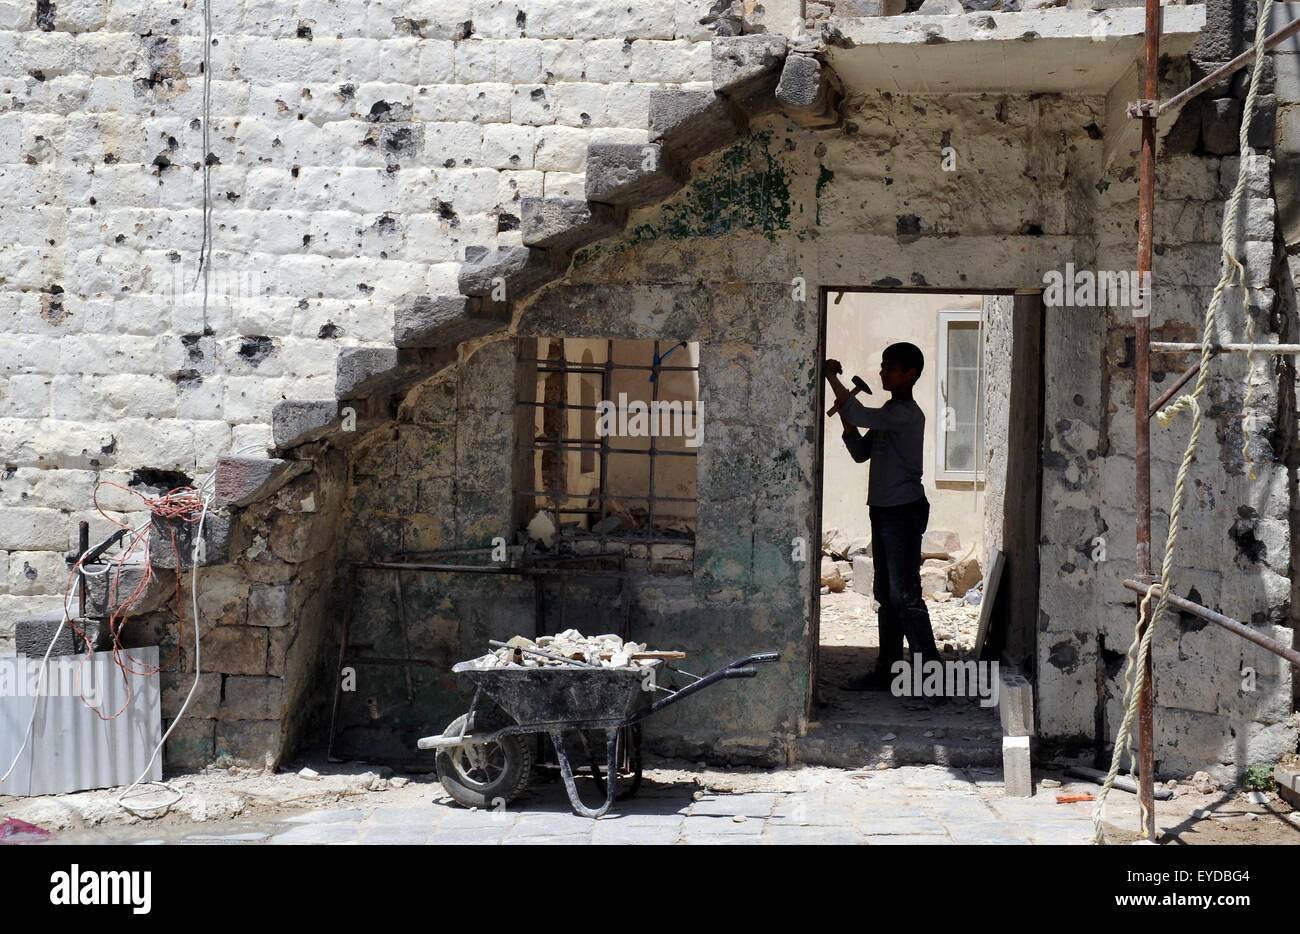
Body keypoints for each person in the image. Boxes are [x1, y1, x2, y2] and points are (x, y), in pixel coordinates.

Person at [824, 343, 941, 691]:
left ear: (911, 375)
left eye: (891, 368)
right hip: (885, 511)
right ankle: (887, 671)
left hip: (902, 512)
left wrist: (831, 377)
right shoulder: (889, 412)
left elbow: (861, 415)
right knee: (887, 593)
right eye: (883, 366)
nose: (883, 372)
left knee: (905, 595)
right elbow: (861, 451)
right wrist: (847, 418)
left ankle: (931, 678)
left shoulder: (905, 414)